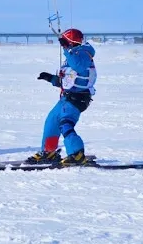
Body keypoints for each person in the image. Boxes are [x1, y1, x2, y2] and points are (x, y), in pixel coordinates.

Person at [25, 28, 97, 166]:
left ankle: (77, 154)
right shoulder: (72, 56)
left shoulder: (84, 54)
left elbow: (79, 66)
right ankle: (49, 152)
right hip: (66, 97)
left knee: (66, 123)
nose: (62, 44)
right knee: (52, 121)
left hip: (78, 98)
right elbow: (68, 80)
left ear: (71, 41)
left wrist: (66, 48)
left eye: (65, 41)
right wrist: (50, 78)